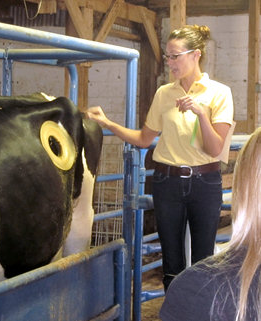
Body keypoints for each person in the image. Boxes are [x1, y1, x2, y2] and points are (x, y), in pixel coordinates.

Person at [87, 24, 234, 291]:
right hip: (167, 182)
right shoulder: (164, 94)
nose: (170, 62)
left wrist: (201, 114)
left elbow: (215, 149)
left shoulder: (219, 93)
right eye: (168, 56)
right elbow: (144, 139)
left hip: (206, 182)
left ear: (196, 55)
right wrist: (108, 123)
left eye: (175, 56)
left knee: (205, 261)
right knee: (172, 264)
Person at [159, 127, 261, 321]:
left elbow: (216, 145)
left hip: (203, 178)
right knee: (175, 258)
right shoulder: (165, 98)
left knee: (199, 263)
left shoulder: (198, 289)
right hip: (173, 181)